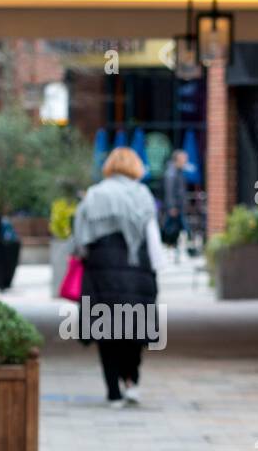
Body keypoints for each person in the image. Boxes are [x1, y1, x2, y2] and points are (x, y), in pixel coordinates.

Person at [73, 147, 165, 406]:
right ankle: (132, 381)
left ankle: (113, 391)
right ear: (136, 167)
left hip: (101, 270)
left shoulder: (94, 195)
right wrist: (155, 268)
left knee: (107, 331)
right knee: (134, 327)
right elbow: (152, 237)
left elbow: (79, 241)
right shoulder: (143, 195)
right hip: (137, 269)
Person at [161, 149, 191, 260]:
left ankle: (175, 251)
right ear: (177, 159)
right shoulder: (171, 173)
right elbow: (169, 191)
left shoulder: (179, 172)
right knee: (172, 229)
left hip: (179, 207)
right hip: (174, 208)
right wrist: (172, 206)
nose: (186, 160)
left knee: (177, 229)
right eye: (184, 158)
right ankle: (169, 250)